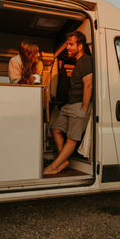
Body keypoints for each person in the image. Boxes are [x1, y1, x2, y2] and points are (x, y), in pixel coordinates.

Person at [43, 31, 93, 175]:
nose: (68, 48)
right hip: (70, 105)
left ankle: (53, 167)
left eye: (71, 44)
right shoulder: (78, 62)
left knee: (72, 138)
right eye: (68, 44)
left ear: (80, 46)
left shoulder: (85, 60)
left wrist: (84, 108)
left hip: (79, 105)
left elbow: (88, 85)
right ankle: (63, 160)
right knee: (55, 129)